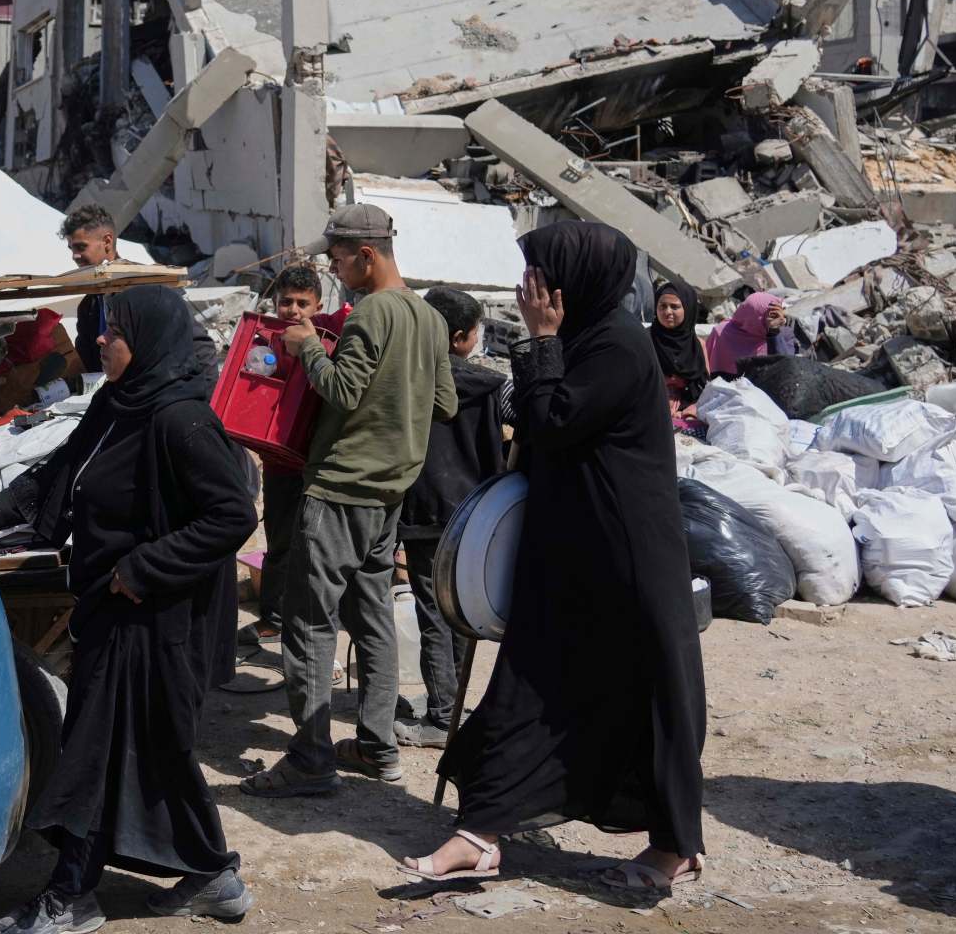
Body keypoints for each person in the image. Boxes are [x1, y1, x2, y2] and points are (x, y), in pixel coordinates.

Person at [402, 221, 706, 893]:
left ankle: (675, 845)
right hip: (566, 552)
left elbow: (553, 419)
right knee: (528, 685)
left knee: (647, 696)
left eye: (542, 276)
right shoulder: (583, 340)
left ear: (578, 281)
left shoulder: (620, 348)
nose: (530, 290)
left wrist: (539, 343)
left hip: (625, 558)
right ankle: (478, 834)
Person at [0, 284, 258, 934]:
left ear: (147, 341)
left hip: (159, 621)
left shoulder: (180, 420)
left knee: (96, 749)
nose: (100, 339)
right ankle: (213, 876)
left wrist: (146, 567)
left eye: (115, 331)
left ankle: (71, 897)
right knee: (154, 753)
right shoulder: (116, 405)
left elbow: (232, 513)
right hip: (112, 609)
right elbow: (58, 473)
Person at [243, 204, 454, 796]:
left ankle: (310, 763)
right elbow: (444, 405)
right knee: (374, 621)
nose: (332, 267)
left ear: (367, 255)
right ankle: (378, 748)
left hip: (339, 490)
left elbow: (341, 387)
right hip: (388, 495)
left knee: (310, 626)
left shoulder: (369, 315)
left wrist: (310, 345)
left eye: (337, 257)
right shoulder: (428, 317)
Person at [396, 286, 507, 749]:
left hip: (424, 512)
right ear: (462, 337)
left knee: (432, 613)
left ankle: (442, 716)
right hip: (474, 516)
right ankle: (451, 705)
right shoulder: (489, 386)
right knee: (460, 612)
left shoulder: (410, 379)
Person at [244, 263, 327, 646]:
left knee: (316, 547)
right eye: (286, 302)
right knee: (279, 541)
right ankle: (273, 618)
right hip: (278, 461)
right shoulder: (265, 339)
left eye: (302, 303)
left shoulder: (328, 340)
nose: (293, 310)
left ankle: (311, 623)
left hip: (317, 461)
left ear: (318, 305)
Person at [61, 204, 121, 376]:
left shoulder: (143, 290)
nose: (74, 256)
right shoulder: (88, 305)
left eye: (81, 247)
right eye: (71, 248)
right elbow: (87, 365)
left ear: (107, 242)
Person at [649, 279, 710, 434]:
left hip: (688, 411)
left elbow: (705, 387)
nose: (667, 312)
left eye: (674, 307)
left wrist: (689, 410)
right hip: (652, 406)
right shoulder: (646, 340)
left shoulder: (698, 346)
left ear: (688, 309)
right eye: (662, 306)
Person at [703, 289, 794, 377]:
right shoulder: (721, 333)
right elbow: (705, 367)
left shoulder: (782, 335)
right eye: (772, 315)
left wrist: (774, 334)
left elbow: (787, 371)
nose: (780, 318)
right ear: (755, 318)